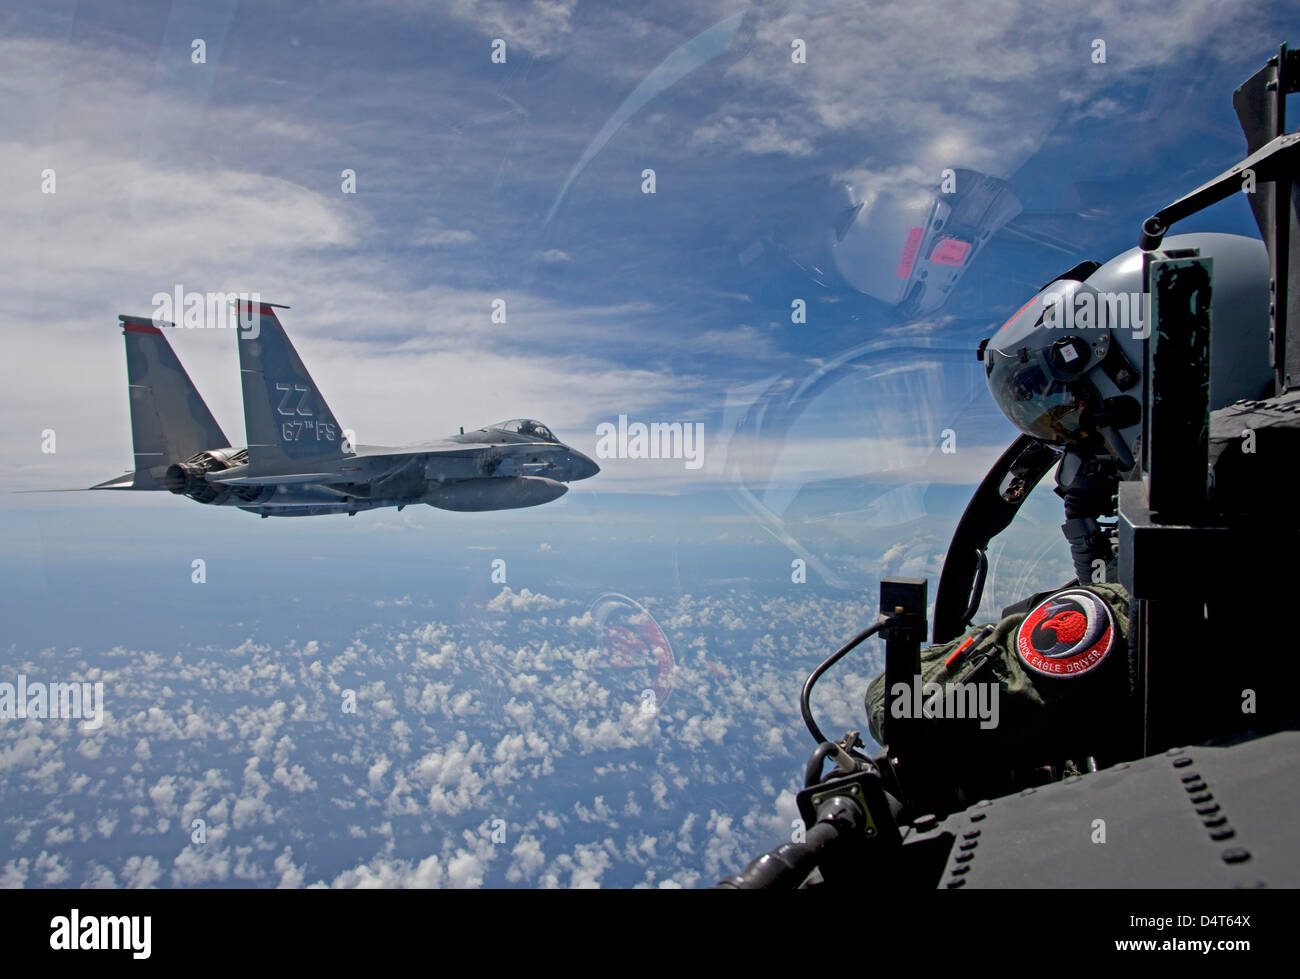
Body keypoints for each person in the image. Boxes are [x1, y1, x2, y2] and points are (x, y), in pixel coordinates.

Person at [865, 232, 1273, 799]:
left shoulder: (1183, 598)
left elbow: (911, 707)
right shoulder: (1264, 539)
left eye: (1083, 421)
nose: (1079, 461)